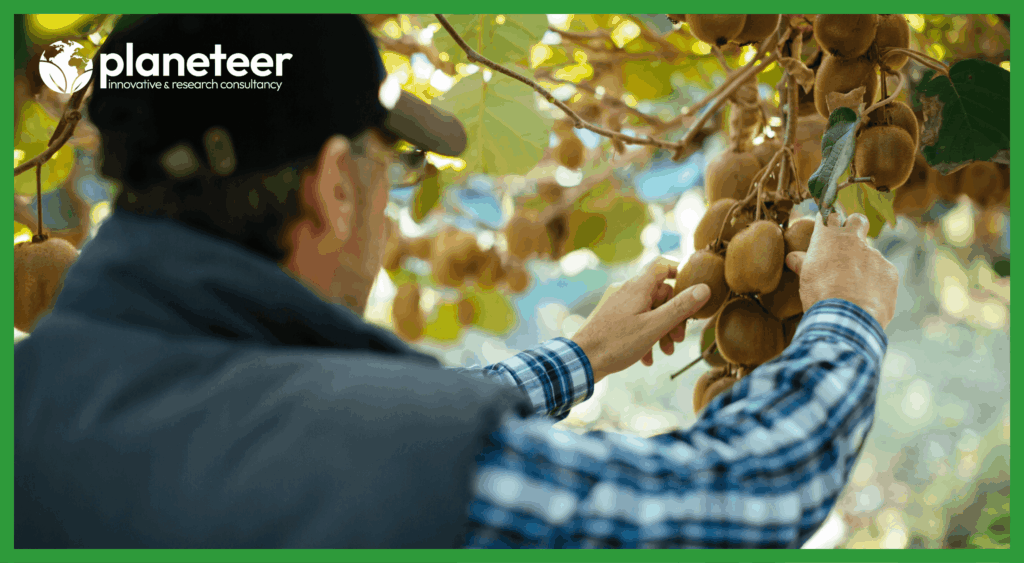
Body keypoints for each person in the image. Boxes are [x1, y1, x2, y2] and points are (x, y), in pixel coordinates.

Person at [14, 14, 899, 548]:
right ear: (333, 186)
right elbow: (736, 499)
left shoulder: (44, 404)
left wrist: (580, 355)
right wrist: (848, 317)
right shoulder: (365, 456)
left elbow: (293, 437)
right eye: (384, 168)